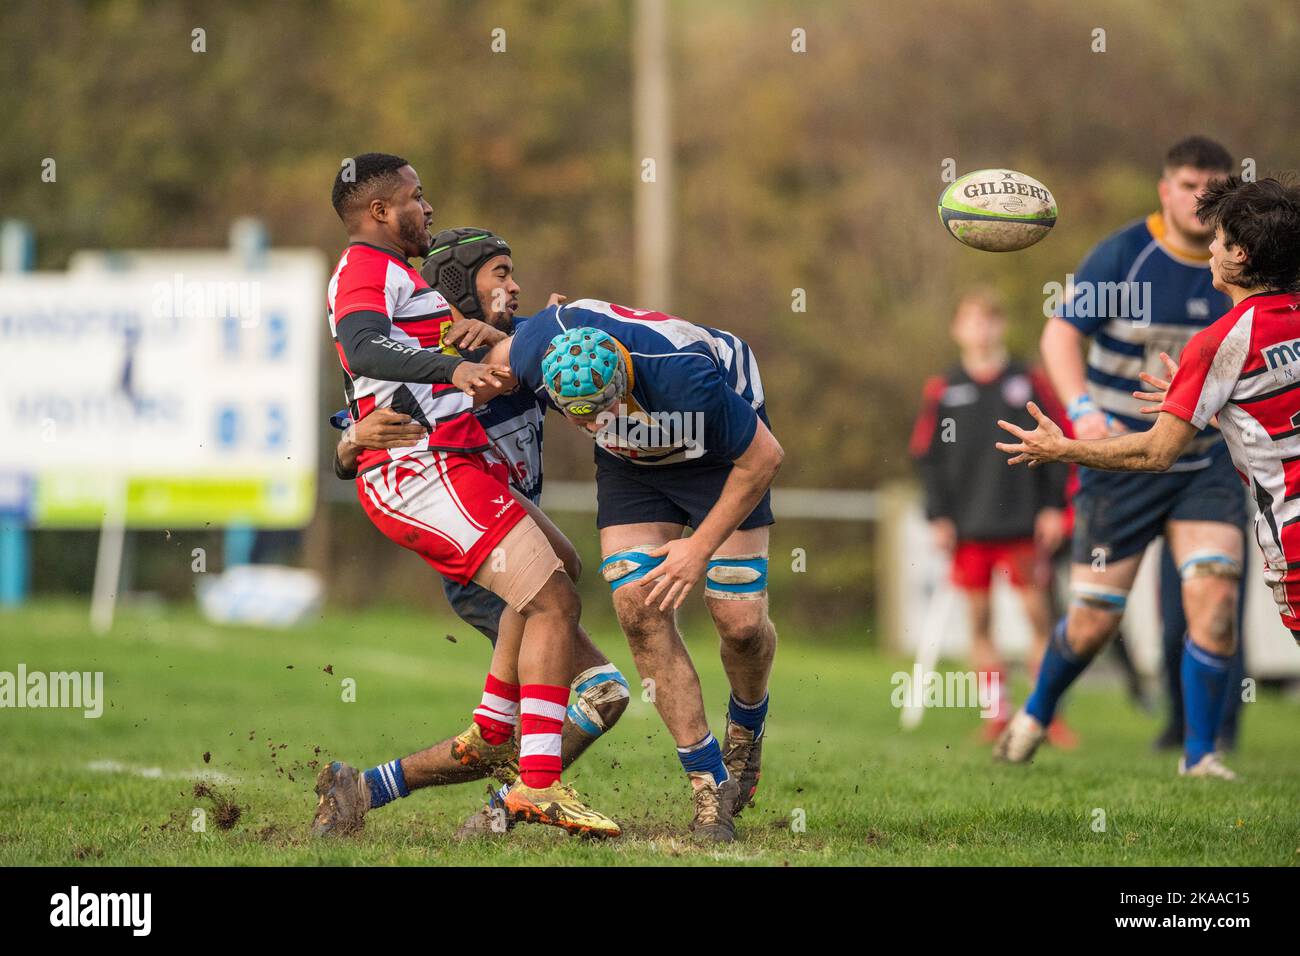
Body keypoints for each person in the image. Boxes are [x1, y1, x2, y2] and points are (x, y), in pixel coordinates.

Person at [311, 153, 619, 836]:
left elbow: (445, 362)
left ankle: (384, 780)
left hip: (456, 471)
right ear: (381, 212)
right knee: (562, 617)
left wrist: (547, 345)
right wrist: (446, 374)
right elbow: (362, 354)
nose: (429, 208)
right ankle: (532, 791)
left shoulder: (417, 296)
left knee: (563, 575)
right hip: (428, 472)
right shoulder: (367, 269)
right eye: (418, 197)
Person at [996, 174, 1300, 779]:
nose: (1208, 250)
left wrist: (1063, 450)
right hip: (1184, 498)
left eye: (1218, 240)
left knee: (1211, 595)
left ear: (1240, 254)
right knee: (1093, 615)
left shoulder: (1219, 341)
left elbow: (1154, 453)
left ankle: (1200, 754)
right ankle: (1034, 715)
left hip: (1289, 535)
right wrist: (1202, 400)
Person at [475, 300, 783, 842]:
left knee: (740, 624)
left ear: (622, 376)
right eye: (580, 417)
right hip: (634, 470)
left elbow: (764, 459)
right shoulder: (532, 355)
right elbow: (481, 371)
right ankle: (709, 786)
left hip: (718, 459)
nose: (594, 424)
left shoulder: (684, 377)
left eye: (601, 408)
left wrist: (698, 549)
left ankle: (748, 726)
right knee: (639, 611)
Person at [910, 289, 1070, 742]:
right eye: (971, 320)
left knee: (1039, 617)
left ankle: (1044, 714)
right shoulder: (944, 388)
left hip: (1021, 522)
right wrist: (938, 516)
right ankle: (996, 714)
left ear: (1000, 326)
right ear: (957, 329)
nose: (981, 330)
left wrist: (1055, 507)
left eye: (989, 320)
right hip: (969, 528)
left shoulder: (1027, 380)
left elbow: (1060, 444)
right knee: (980, 623)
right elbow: (928, 457)